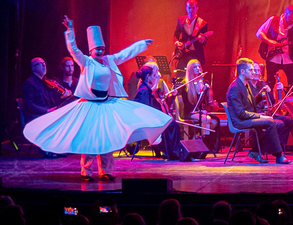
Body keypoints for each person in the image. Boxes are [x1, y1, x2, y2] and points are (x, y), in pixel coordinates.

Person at [24, 17, 172, 181]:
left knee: (107, 139)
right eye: (97, 49)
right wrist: (70, 31)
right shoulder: (86, 61)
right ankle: (86, 172)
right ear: (91, 50)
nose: (100, 52)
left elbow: (125, 54)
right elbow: (73, 50)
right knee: (90, 140)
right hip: (89, 104)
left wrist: (141, 45)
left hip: (106, 103)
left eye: (102, 49)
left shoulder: (109, 60)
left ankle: (106, 171)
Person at [225, 58, 291, 164]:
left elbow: (253, 102)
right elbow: (240, 113)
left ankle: (255, 151)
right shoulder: (235, 88)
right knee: (270, 122)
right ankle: (279, 155)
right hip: (239, 121)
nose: (253, 72)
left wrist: (262, 94)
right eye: (251, 70)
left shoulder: (245, 85)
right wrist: (261, 116)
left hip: (245, 118)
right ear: (242, 71)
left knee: (280, 124)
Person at [133, 64, 182, 160]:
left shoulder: (145, 88)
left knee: (171, 123)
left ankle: (170, 151)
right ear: (148, 76)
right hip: (145, 121)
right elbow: (145, 110)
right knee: (172, 124)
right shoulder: (144, 90)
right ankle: (171, 152)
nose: (155, 78)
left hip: (149, 118)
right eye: (153, 76)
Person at [256, 4, 293, 86]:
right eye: (290, 17)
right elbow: (259, 33)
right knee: (270, 83)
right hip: (272, 58)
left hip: (288, 59)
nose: (292, 20)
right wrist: (269, 42)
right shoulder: (273, 20)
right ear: (285, 13)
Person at [250, 60, 293, 148]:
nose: (257, 73)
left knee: (288, 120)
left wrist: (276, 90)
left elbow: (271, 102)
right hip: (256, 116)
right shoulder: (247, 86)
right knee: (279, 124)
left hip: (267, 114)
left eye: (258, 70)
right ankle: (270, 146)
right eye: (255, 70)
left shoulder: (262, 84)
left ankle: (277, 145)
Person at [181, 59, 221, 150]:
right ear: (190, 69)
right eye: (195, 67)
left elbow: (207, 101)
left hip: (201, 111)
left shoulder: (204, 83)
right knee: (207, 119)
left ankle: (198, 139)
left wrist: (207, 92)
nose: (198, 69)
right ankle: (200, 143)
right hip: (190, 112)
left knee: (215, 121)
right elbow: (187, 103)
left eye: (199, 66)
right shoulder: (186, 84)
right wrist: (199, 111)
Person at [22, 57, 70, 124]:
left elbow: (52, 100)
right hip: (37, 118)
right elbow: (28, 105)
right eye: (40, 64)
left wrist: (63, 96)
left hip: (47, 115)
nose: (44, 65)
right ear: (33, 68)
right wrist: (46, 111)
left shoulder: (46, 81)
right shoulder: (29, 83)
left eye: (44, 63)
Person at [173, 0, 209, 70]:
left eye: (193, 8)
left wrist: (202, 40)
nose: (191, 10)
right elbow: (176, 34)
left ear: (197, 9)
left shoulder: (202, 23)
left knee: (195, 73)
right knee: (180, 72)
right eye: (189, 8)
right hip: (183, 53)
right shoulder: (181, 20)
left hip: (196, 54)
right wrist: (177, 42)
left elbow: (205, 41)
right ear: (186, 8)